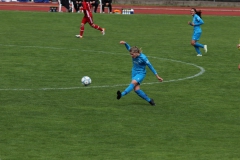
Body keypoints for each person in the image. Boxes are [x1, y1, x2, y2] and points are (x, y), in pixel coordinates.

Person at [116, 41, 163, 106]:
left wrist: (157, 76)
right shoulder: (133, 55)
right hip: (134, 72)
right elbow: (128, 48)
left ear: (136, 53)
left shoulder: (143, 58)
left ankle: (121, 94)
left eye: (132, 54)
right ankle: (150, 100)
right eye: (130, 54)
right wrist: (125, 43)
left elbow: (150, 66)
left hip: (141, 73)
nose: (131, 56)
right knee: (136, 89)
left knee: (133, 83)